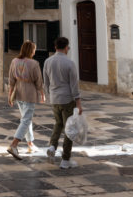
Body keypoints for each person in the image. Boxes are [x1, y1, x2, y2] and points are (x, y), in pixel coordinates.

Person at [43, 36, 82, 169]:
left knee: (58, 123)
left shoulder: (47, 62)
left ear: (55, 47)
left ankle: (52, 146)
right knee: (69, 128)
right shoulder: (70, 63)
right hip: (67, 99)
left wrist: (50, 96)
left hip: (54, 99)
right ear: (66, 47)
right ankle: (65, 159)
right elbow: (74, 85)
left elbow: (46, 83)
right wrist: (78, 103)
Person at [6, 40, 44, 160]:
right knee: (26, 119)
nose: (34, 52)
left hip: (18, 92)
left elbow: (11, 80)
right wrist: (42, 94)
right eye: (34, 49)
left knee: (26, 119)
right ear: (31, 51)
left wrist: (10, 94)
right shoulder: (34, 63)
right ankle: (14, 144)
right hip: (29, 93)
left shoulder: (14, 61)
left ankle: (30, 144)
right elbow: (39, 81)